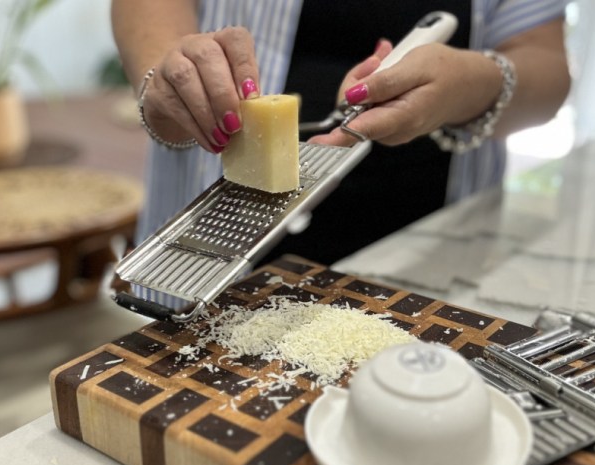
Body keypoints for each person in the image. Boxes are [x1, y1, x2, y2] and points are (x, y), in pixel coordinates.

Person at [111, 0, 570, 266]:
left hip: (428, 245)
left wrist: (471, 83)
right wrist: (166, 73)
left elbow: (546, 65)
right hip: (217, 232)